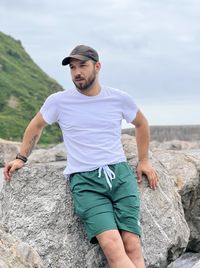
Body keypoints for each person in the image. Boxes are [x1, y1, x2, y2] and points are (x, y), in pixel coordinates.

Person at [4, 45, 158, 268]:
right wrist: (21, 157)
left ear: (97, 66)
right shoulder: (59, 101)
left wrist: (144, 160)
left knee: (132, 244)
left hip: (121, 176)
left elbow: (141, 123)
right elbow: (35, 127)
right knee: (112, 245)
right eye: (73, 67)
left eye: (82, 65)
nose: (77, 72)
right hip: (85, 182)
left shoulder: (118, 98)